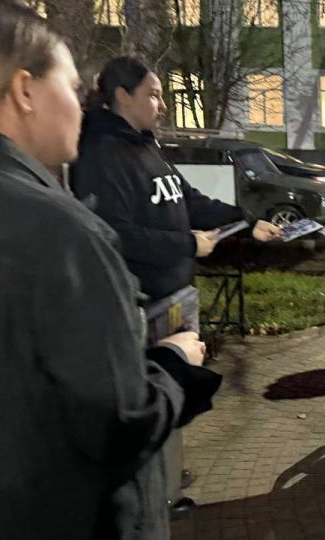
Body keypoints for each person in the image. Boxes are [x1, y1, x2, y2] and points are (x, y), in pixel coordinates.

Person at [0, 2, 221, 539]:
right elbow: (118, 424)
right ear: (24, 90)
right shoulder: (62, 232)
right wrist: (175, 364)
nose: (83, 106)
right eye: (71, 86)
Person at [70, 56, 281, 514]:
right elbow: (115, 234)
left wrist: (247, 223)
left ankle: (168, 482)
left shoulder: (147, 146)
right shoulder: (99, 154)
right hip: (139, 305)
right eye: (153, 94)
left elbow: (190, 201)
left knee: (176, 394)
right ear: (121, 96)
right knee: (150, 399)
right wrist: (186, 243)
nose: (162, 104)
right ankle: (153, 499)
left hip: (175, 297)